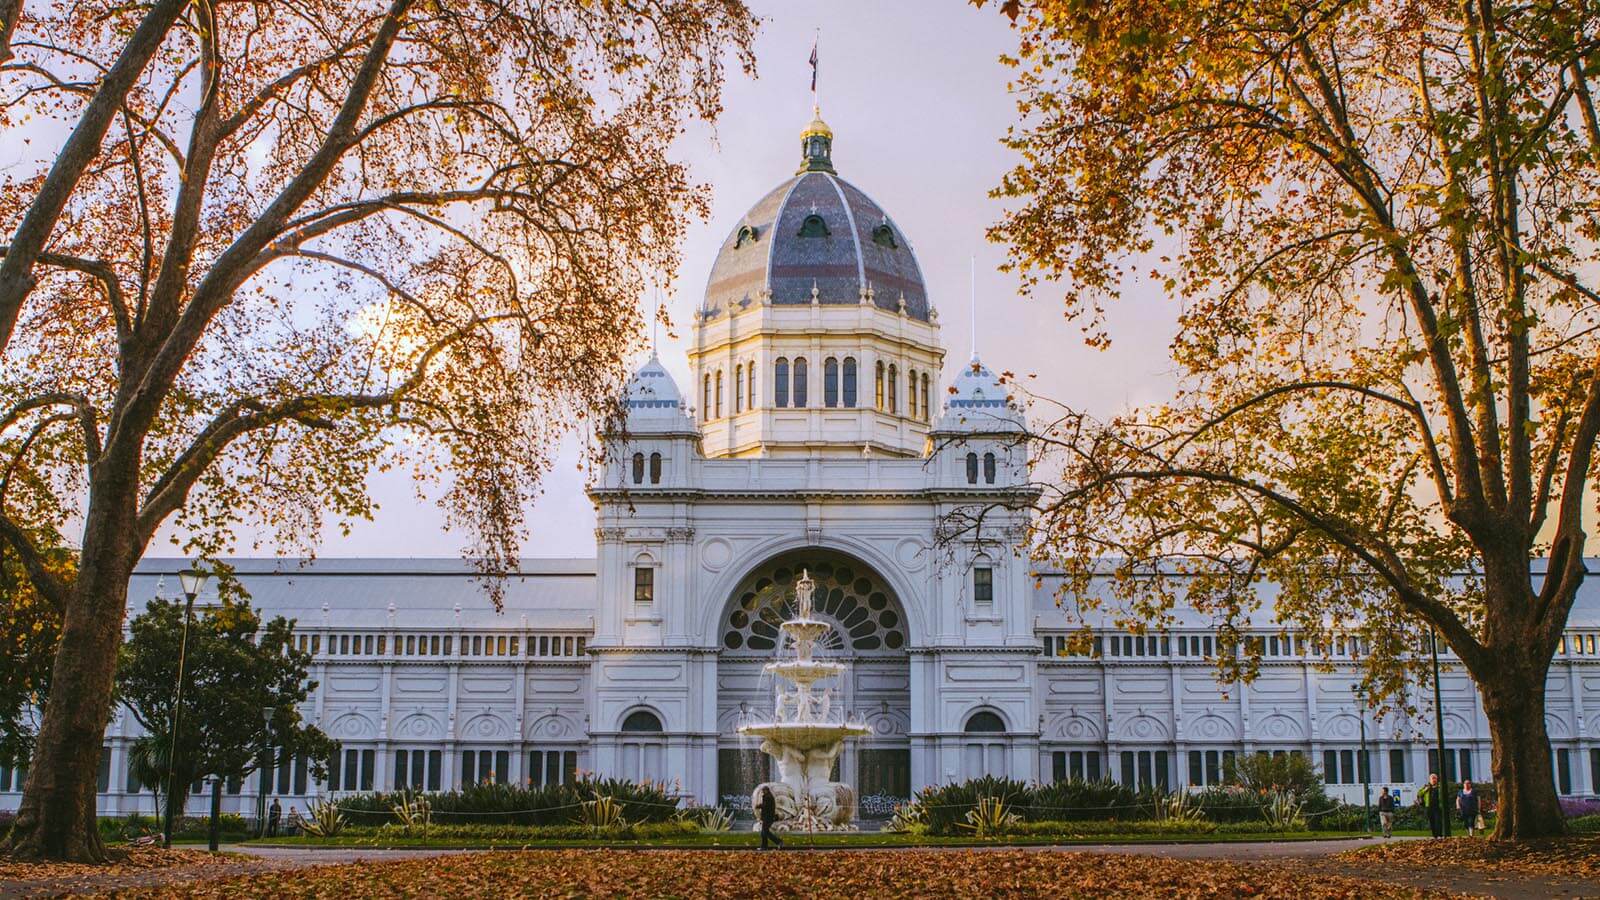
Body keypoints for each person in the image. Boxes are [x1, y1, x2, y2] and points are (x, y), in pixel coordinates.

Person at [757, 786, 783, 851]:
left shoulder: (768, 797)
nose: (762, 792)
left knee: (765, 832)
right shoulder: (768, 797)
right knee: (764, 832)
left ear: (767, 790)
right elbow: (766, 806)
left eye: (763, 790)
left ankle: (778, 842)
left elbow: (766, 806)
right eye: (762, 790)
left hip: (768, 817)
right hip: (768, 817)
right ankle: (764, 846)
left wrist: (759, 806)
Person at [1418, 773, 1443, 838]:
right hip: (1429, 806)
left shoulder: (1439, 786)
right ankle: (1435, 835)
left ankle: (1439, 834)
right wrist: (1425, 790)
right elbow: (1419, 793)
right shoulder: (1426, 786)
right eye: (1433, 778)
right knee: (1432, 821)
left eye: (1435, 778)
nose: (1434, 780)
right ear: (1430, 780)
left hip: (1437, 806)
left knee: (1438, 821)